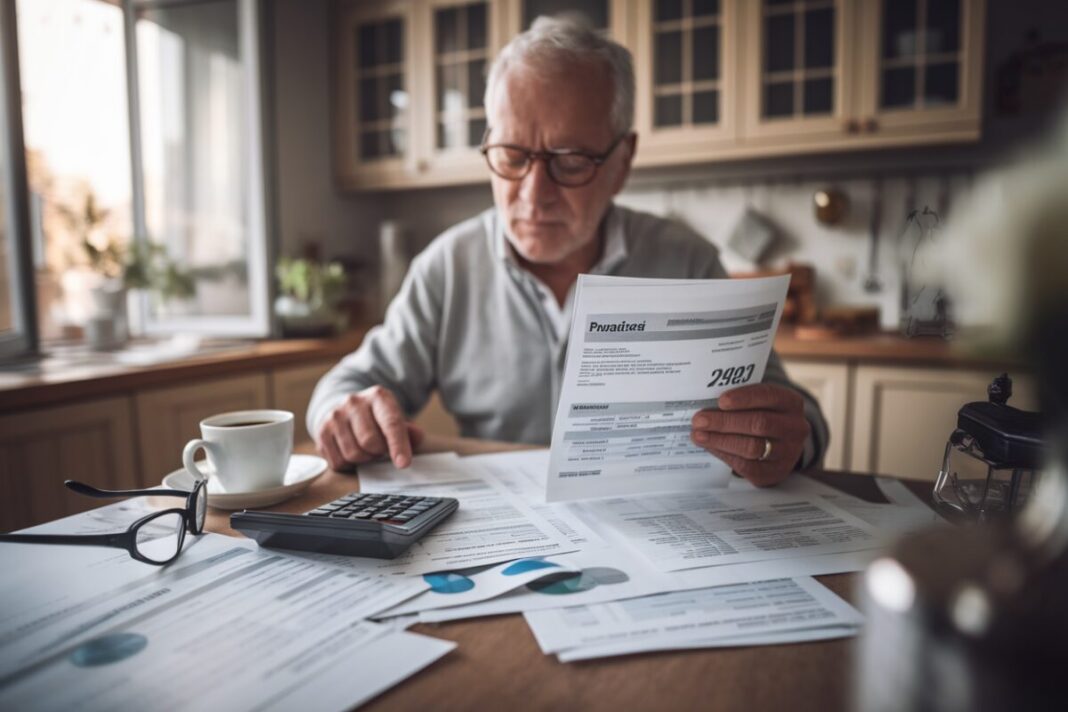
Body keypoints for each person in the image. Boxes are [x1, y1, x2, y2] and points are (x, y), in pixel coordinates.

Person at [307, 17, 828, 487]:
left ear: (622, 161)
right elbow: (347, 385)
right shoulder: (447, 268)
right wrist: (341, 414)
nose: (534, 195)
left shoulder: (688, 264)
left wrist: (787, 440)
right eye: (511, 155)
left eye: (572, 161)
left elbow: (796, 417)